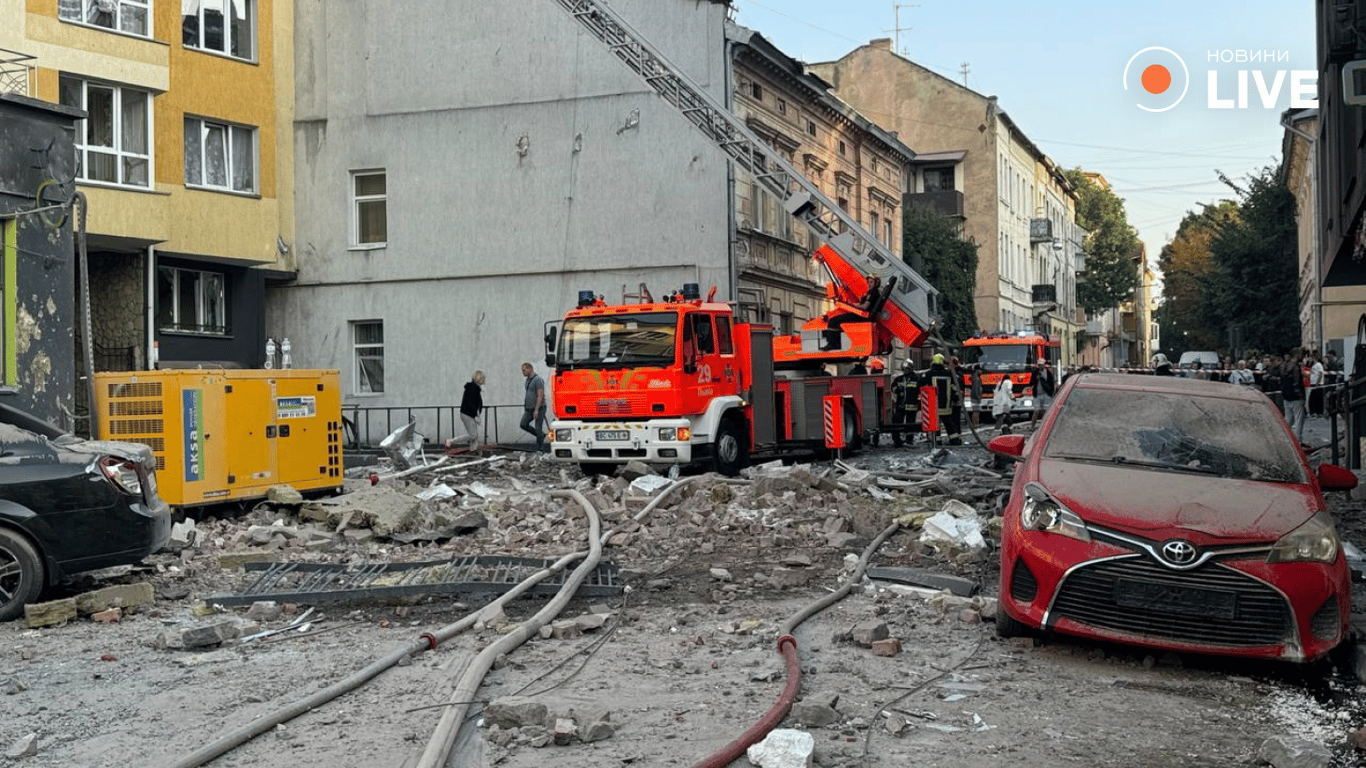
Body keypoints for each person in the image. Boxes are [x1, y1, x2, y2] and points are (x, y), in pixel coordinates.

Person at [520, 361, 548, 452]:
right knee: (523, 424)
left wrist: (536, 410)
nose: (523, 372)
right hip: (529, 408)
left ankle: (540, 448)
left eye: (524, 370)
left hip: (539, 408)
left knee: (538, 426)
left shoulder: (538, 380)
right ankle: (540, 436)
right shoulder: (527, 380)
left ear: (530, 369)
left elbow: (540, 396)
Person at [1281, 351, 1307, 444]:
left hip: (1286, 395)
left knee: (1288, 419)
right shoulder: (1295, 368)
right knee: (1299, 419)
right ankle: (1297, 440)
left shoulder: (1283, 366)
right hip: (1296, 397)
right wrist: (1301, 396)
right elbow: (1296, 383)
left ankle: (1285, 438)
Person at [456, 370, 485, 451]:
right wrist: (476, 415)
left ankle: (473, 451)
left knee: (474, 436)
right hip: (468, 414)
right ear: (479, 379)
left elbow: (476, 403)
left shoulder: (474, 388)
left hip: (468, 413)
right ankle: (451, 441)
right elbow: (471, 403)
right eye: (483, 379)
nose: (484, 381)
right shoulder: (473, 389)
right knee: (473, 436)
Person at [1027, 358, 1055, 430]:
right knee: (1036, 411)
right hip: (1037, 395)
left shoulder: (1048, 373)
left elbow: (1051, 384)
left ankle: (1045, 427)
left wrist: (1051, 393)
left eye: (1041, 365)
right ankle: (1032, 426)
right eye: (1039, 365)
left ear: (1044, 365)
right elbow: (1031, 383)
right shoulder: (1035, 373)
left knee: (1045, 411)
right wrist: (1035, 379)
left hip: (1046, 395)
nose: (1040, 367)